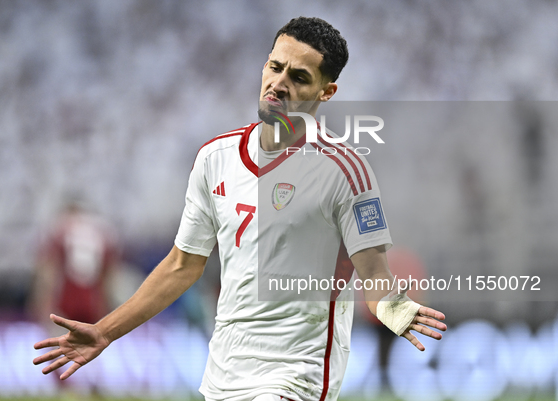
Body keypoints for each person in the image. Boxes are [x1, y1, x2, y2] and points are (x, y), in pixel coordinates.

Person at [34, 17, 446, 401]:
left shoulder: (345, 171)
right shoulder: (216, 158)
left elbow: (374, 277)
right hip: (223, 376)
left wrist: (397, 311)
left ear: (327, 91)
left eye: (299, 77)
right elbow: (182, 266)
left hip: (294, 377)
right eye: (275, 67)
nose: (279, 84)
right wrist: (105, 332)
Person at [29, 199, 120, 327]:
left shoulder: (59, 233)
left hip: (65, 303)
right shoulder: (101, 234)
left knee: (61, 344)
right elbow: (108, 277)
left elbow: (48, 275)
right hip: (93, 304)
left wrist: (43, 305)